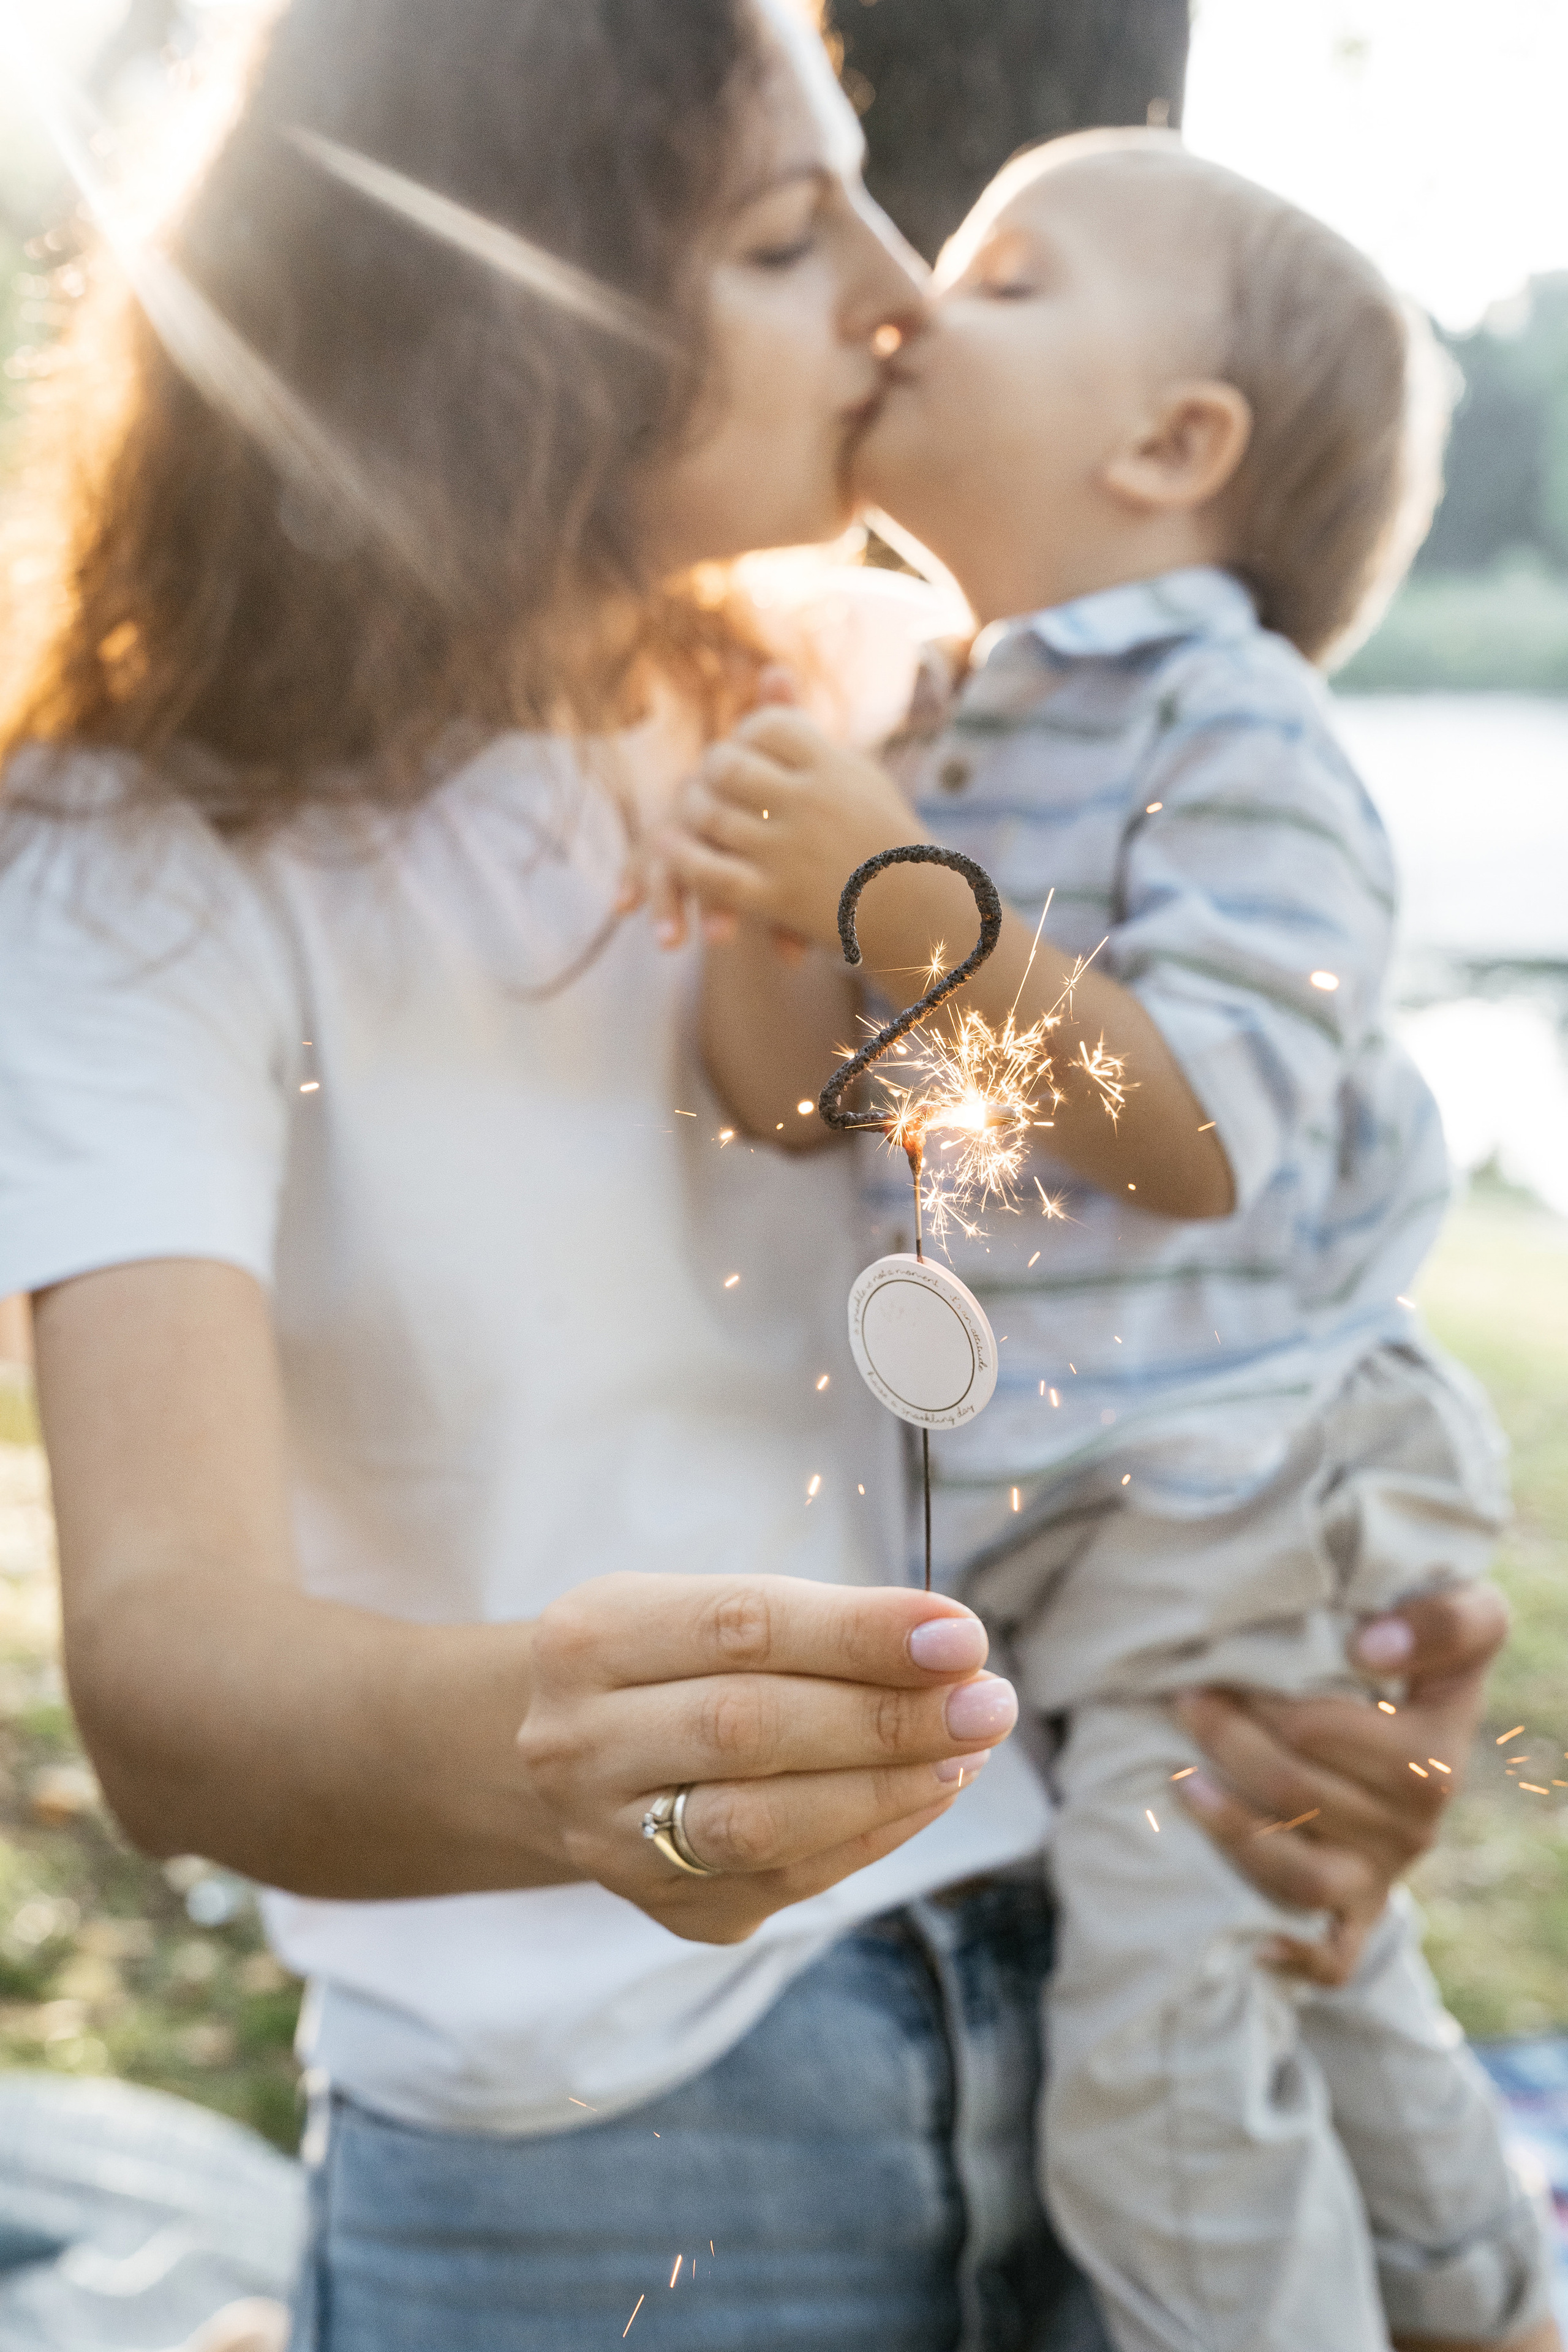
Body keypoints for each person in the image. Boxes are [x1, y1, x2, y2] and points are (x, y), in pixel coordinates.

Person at [0, 10, 1515, 2344]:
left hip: (1094, 1953)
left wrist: (1316, 1667)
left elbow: (1186, 1163)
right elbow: (172, 1681)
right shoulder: (135, 856)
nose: (905, 293)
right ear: (526, 307)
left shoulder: (911, 684)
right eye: (800, 235)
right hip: (608, 2135)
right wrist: (568, 1756)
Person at [654, 130, 1559, 2351]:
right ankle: (1481, 2293)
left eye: (1004, 275)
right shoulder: (946, 727)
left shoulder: (1224, 722)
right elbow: (790, 1105)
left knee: (1152, 2065)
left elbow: (1203, 1133)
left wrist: (891, 886)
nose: (911, 309)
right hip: (1100, 1520)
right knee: (1283, 1959)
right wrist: (797, 889)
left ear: (1174, 445)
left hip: (1250, 1484)